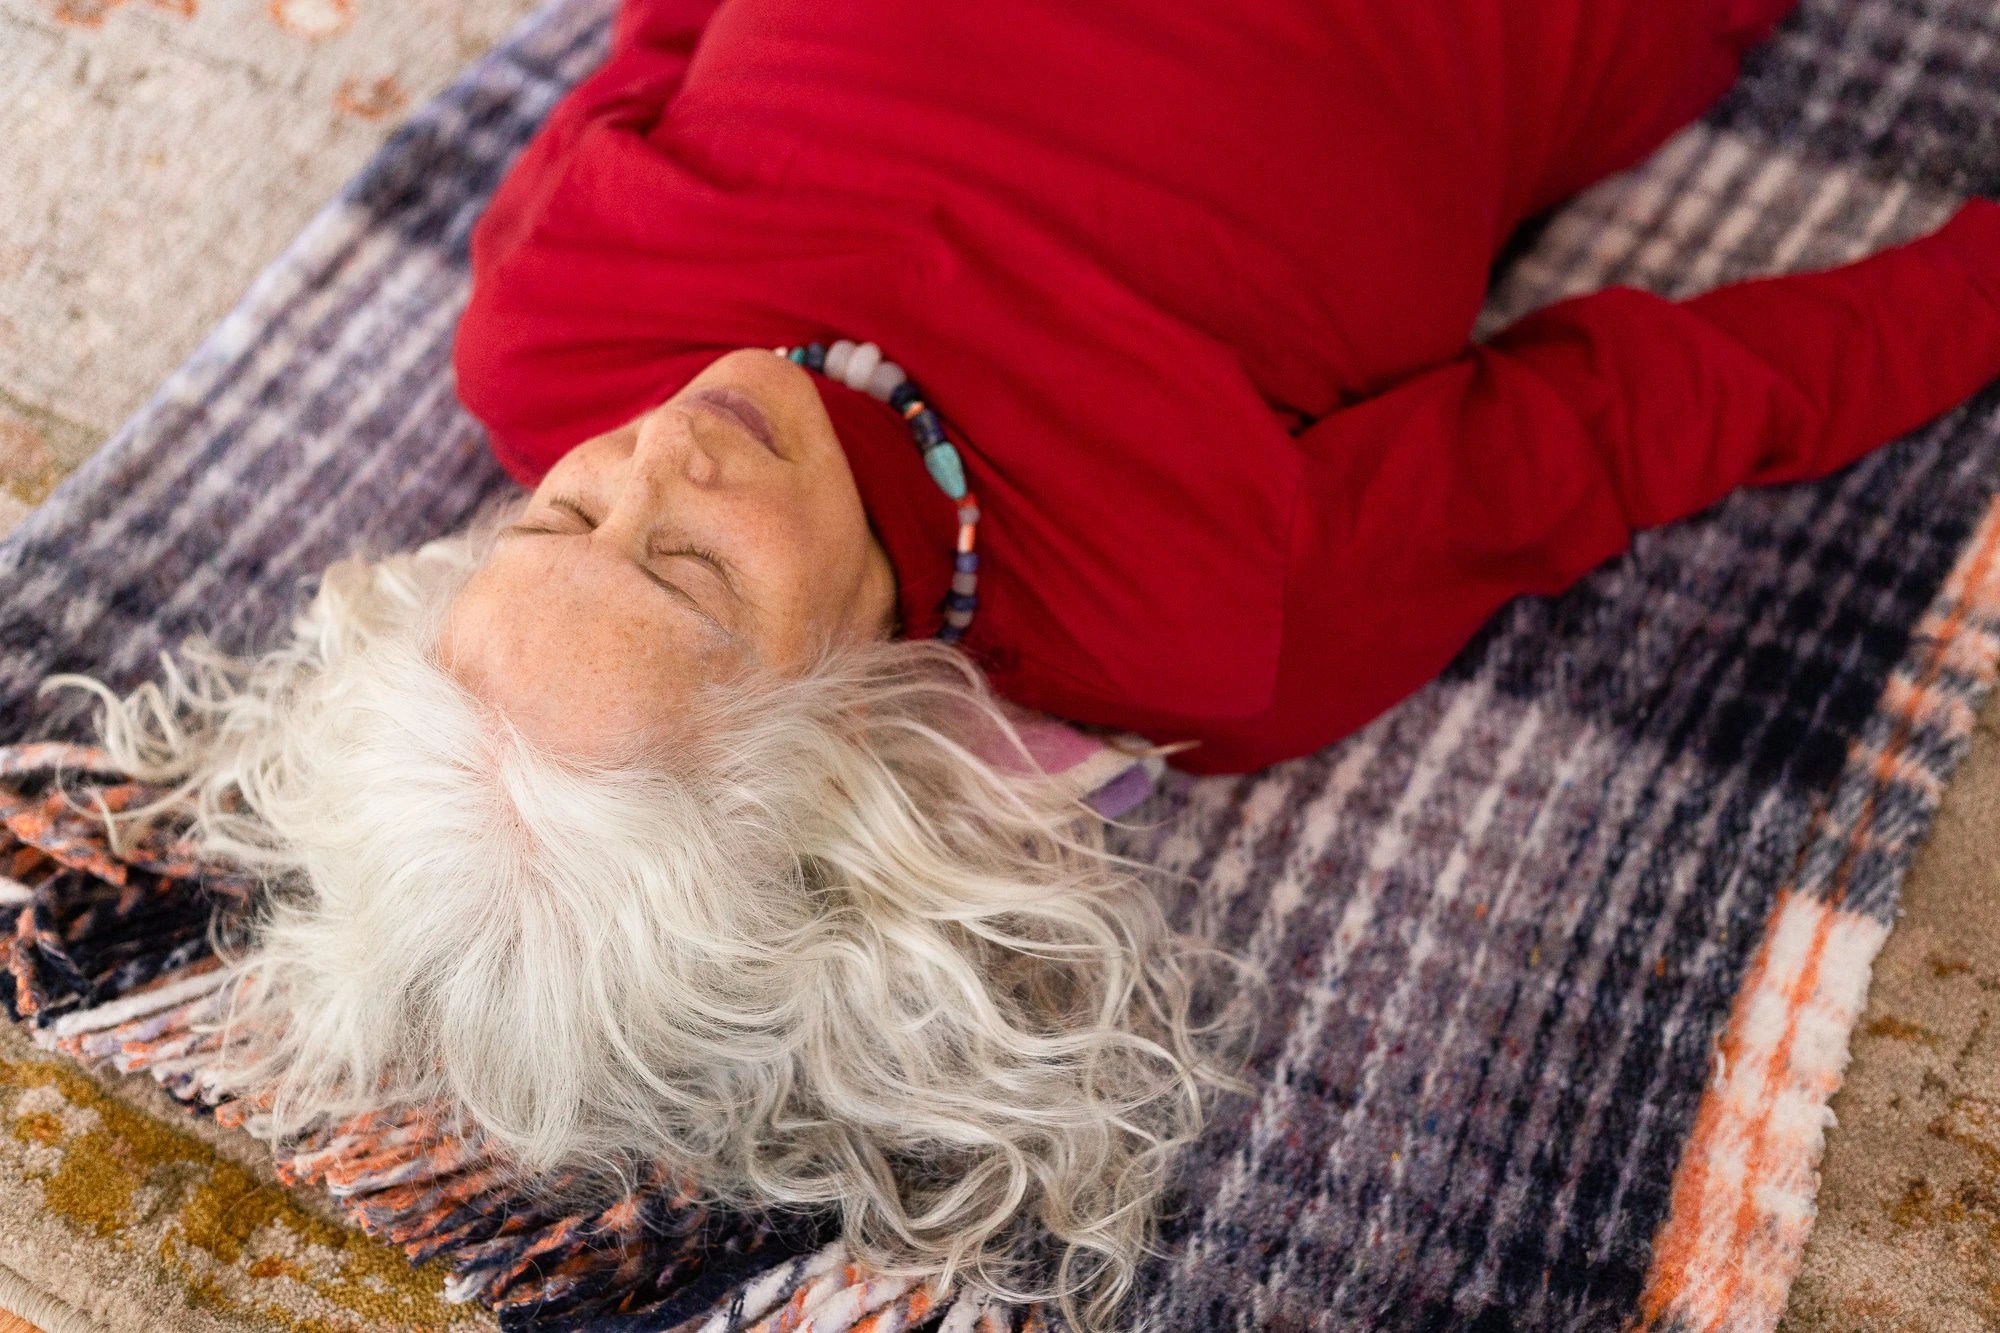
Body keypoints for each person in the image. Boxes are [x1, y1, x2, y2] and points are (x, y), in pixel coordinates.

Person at [59, 0, 2000, 1327]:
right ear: (835, 750)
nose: (659, 455)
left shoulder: (547, 324)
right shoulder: (1220, 613)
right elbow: (1657, 414)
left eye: (559, 517)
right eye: (691, 573)